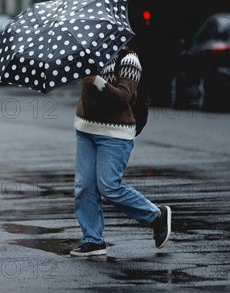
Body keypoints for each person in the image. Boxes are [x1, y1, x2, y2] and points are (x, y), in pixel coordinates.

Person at [70, 44, 171, 256]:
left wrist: (96, 80)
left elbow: (124, 96)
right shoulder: (89, 57)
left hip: (115, 133)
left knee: (109, 186)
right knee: (84, 186)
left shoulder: (129, 59)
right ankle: (93, 239)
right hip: (86, 129)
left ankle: (156, 215)